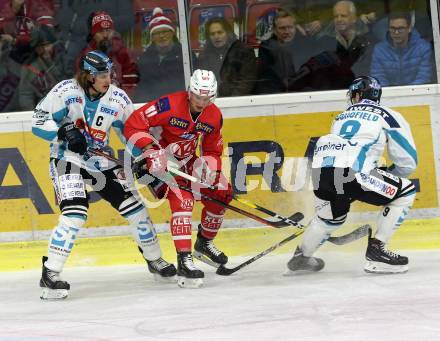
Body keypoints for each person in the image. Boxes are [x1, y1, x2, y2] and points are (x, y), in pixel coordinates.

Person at [32, 50, 176, 300]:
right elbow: (38, 122)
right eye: (101, 74)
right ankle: (50, 273)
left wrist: (145, 155)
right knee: (75, 215)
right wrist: (63, 132)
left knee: (136, 209)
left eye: (109, 73)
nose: (107, 78)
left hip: (101, 163)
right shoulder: (65, 91)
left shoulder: (118, 99)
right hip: (67, 160)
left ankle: (154, 260)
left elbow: (131, 132)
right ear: (87, 75)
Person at [286, 76, 417, 275]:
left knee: (330, 218)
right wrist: (385, 176)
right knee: (405, 191)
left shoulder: (342, 116)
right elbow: (408, 162)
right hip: (353, 173)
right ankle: (377, 253)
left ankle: (301, 256)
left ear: (357, 94)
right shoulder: (390, 116)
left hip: (323, 173)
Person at [124, 69, 233, 288]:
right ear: (190, 92)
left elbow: (212, 148)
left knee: (222, 191)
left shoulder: (213, 115)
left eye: (207, 98)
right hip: (156, 166)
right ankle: (184, 260)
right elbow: (133, 124)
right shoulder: (168, 105)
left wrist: (210, 170)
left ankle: (204, 243)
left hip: (187, 162)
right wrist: (150, 151)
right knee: (183, 200)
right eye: (198, 97)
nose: (202, 102)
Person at [311, 0, 375, 90]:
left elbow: (369, 69)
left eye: (343, 16)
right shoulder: (323, 41)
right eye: (336, 16)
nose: (339, 19)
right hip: (334, 92)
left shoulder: (366, 40)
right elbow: (320, 74)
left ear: (353, 19)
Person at [76, 11, 139, 98]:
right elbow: (82, 86)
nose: (105, 35)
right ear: (94, 34)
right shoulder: (85, 57)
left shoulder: (124, 54)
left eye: (108, 30)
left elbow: (131, 83)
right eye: (101, 31)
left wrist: (121, 102)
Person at [134, 7, 191, 103]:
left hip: (178, 104)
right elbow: (142, 89)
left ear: (172, 33)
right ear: (152, 37)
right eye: (156, 33)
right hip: (153, 105)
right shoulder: (144, 59)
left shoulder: (185, 55)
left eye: (164, 31)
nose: (161, 36)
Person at [256, 8, 314, 94]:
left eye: (290, 27)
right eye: (282, 28)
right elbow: (264, 79)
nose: (287, 31)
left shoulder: (306, 46)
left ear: (295, 28)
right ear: (275, 31)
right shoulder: (267, 49)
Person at [197, 17, 257, 97]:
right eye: (212, 34)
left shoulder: (243, 51)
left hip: (240, 101)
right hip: (213, 101)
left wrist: (231, 101)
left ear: (228, 33)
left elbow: (247, 81)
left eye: (220, 32)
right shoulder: (204, 55)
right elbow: (202, 82)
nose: (216, 36)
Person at [370, 11, 433, 86]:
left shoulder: (424, 48)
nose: (396, 32)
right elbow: (378, 77)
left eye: (400, 28)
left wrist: (408, 94)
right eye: (393, 28)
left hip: (417, 94)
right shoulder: (379, 50)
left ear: (409, 28)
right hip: (389, 95)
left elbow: (424, 77)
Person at [19, 24, 65, 110]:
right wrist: (31, 116)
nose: (46, 49)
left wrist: (49, 62)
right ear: (35, 47)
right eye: (42, 46)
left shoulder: (62, 58)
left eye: (48, 45)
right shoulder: (30, 68)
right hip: (45, 113)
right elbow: (25, 96)